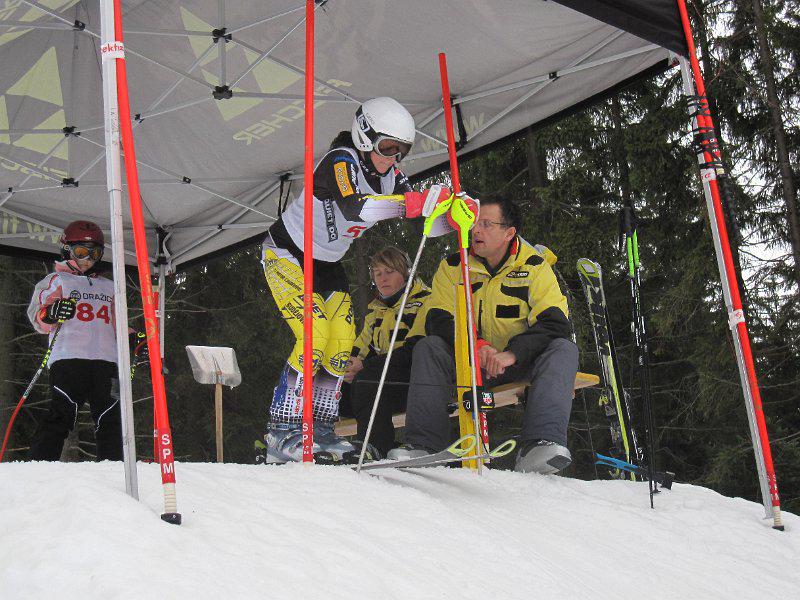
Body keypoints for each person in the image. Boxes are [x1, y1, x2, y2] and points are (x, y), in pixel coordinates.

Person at [261, 97, 452, 463]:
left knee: (341, 341)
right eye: (387, 147)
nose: (393, 157)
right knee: (313, 334)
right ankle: (281, 430)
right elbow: (356, 206)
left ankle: (319, 426)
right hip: (288, 252)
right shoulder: (341, 160)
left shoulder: (389, 174)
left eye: (402, 150)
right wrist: (412, 204)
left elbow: (420, 218)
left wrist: (455, 217)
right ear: (365, 136)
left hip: (328, 263)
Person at [387, 195, 579, 474]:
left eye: (487, 224)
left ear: (509, 233)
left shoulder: (535, 266)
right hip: (465, 362)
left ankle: (539, 445)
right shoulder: (453, 266)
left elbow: (555, 323)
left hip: (514, 363)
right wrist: (475, 346)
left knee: (564, 349)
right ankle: (425, 446)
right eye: (474, 222)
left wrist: (511, 354)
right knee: (429, 347)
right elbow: (438, 318)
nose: (476, 230)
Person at [26, 220, 145, 461]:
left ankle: (113, 468)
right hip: (69, 357)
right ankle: (38, 466)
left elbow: (117, 322)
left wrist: (134, 340)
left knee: (110, 415)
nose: (87, 259)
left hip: (106, 360)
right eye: (81, 252)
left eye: (94, 253)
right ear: (67, 250)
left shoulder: (110, 287)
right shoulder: (57, 281)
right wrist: (51, 313)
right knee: (62, 412)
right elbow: (38, 318)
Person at [342, 246, 430, 457]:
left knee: (367, 379)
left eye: (390, 272)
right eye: (378, 273)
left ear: (406, 272)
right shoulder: (377, 311)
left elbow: (415, 351)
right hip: (379, 382)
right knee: (324, 384)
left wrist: (365, 366)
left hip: (414, 381)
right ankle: (309, 440)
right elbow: (359, 349)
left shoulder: (425, 301)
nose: (383, 279)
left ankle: (376, 446)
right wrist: (346, 367)